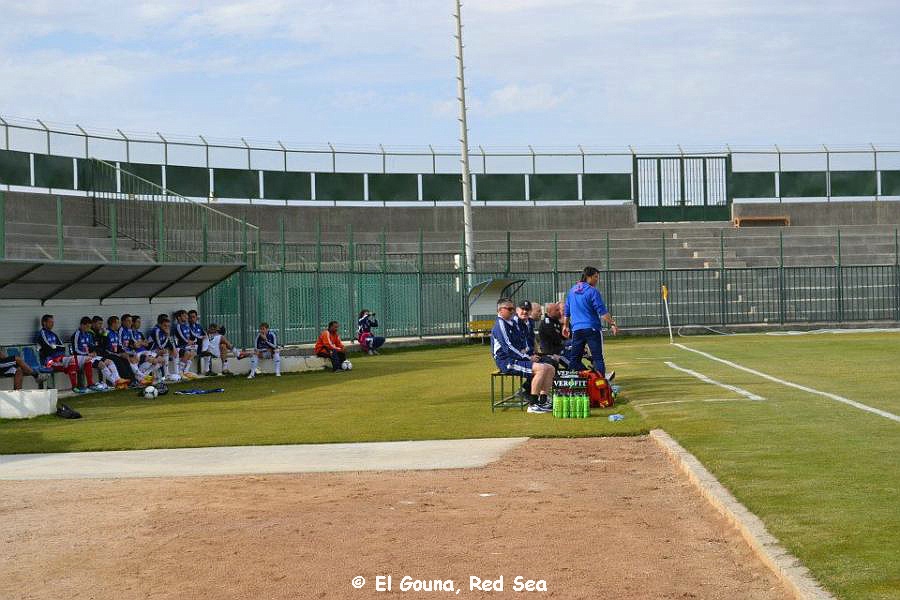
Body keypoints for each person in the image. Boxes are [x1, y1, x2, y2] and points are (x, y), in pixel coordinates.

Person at [491, 297, 554, 413]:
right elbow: (508, 348)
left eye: (513, 309)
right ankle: (533, 405)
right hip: (506, 362)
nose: (512, 311)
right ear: (500, 310)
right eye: (509, 309)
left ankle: (543, 401)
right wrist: (527, 357)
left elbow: (520, 343)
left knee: (550, 368)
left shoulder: (510, 323)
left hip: (515, 358)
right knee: (541, 369)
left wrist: (528, 353)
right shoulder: (500, 324)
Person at [562, 266, 618, 379]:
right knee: (597, 358)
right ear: (588, 277)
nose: (597, 280)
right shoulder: (592, 291)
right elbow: (602, 311)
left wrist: (565, 326)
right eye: (595, 277)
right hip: (592, 328)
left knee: (575, 358)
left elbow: (567, 311)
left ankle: (573, 386)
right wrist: (612, 323)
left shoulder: (572, 291)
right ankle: (601, 383)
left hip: (577, 329)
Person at [36, 314, 84, 393]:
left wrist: (55, 347)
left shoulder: (53, 334)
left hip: (59, 358)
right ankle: (75, 387)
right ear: (44, 323)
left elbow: (63, 347)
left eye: (53, 322)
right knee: (71, 363)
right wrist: (55, 348)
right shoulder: (42, 333)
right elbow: (47, 347)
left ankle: (76, 387)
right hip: (48, 361)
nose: (52, 324)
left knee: (73, 362)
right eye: (50, 322)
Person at [71, 316, 113, 391]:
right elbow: (76, 350)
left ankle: (116, 380)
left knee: (109, 361)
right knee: (100, 363)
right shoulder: (76, 334)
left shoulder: (89, 334)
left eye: (89, 327)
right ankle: (93, 384)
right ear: (82, 325)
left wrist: (94, 352)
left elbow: (92, 346)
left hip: (89, 356)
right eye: (87, 327)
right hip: (79, 357)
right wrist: (87, 354)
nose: (88, 329)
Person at [148, 314, 178, 380]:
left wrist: (173, 349)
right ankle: (166, 374)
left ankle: (177, 373)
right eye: (165, 325)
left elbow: (169, 343)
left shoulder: (164, 330)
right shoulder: (156, 330)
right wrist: (167, 335)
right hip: (150, 351)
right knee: (165, 351)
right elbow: (160, 346)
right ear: (160, 324)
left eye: (168, 326)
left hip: (158, 350)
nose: (167, 327)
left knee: (175, 351)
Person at [172, 310, 198, 379]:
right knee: (187, 353)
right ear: (179, 318)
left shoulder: (187, 326)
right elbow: (182, 338)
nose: (186, 317)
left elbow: (194, 335)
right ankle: (180, 372)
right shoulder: (177, 326)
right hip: (178, 347)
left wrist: (194, 340)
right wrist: (188, 342)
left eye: (186, 315)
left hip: (186, 346)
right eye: (184, 315)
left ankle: (186, 371)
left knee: (193, 353)